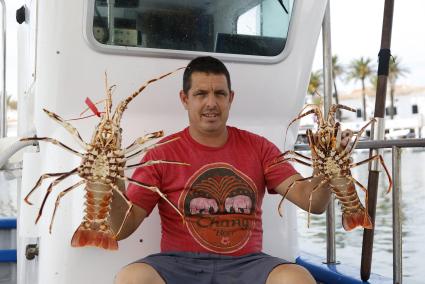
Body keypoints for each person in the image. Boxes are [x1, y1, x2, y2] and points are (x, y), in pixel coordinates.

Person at [113, 56, 338, 284]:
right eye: (200, 94)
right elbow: (120, 228)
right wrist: (110, 184)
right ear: (185, 99)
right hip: (178, 264)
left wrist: (326, 169)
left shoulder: (259, 147)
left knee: (296, 278)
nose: (211, 103)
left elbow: (313, 203)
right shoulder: (160, 154)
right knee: (132, 278)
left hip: (247, 264)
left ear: (230, 98)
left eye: (220, 94)